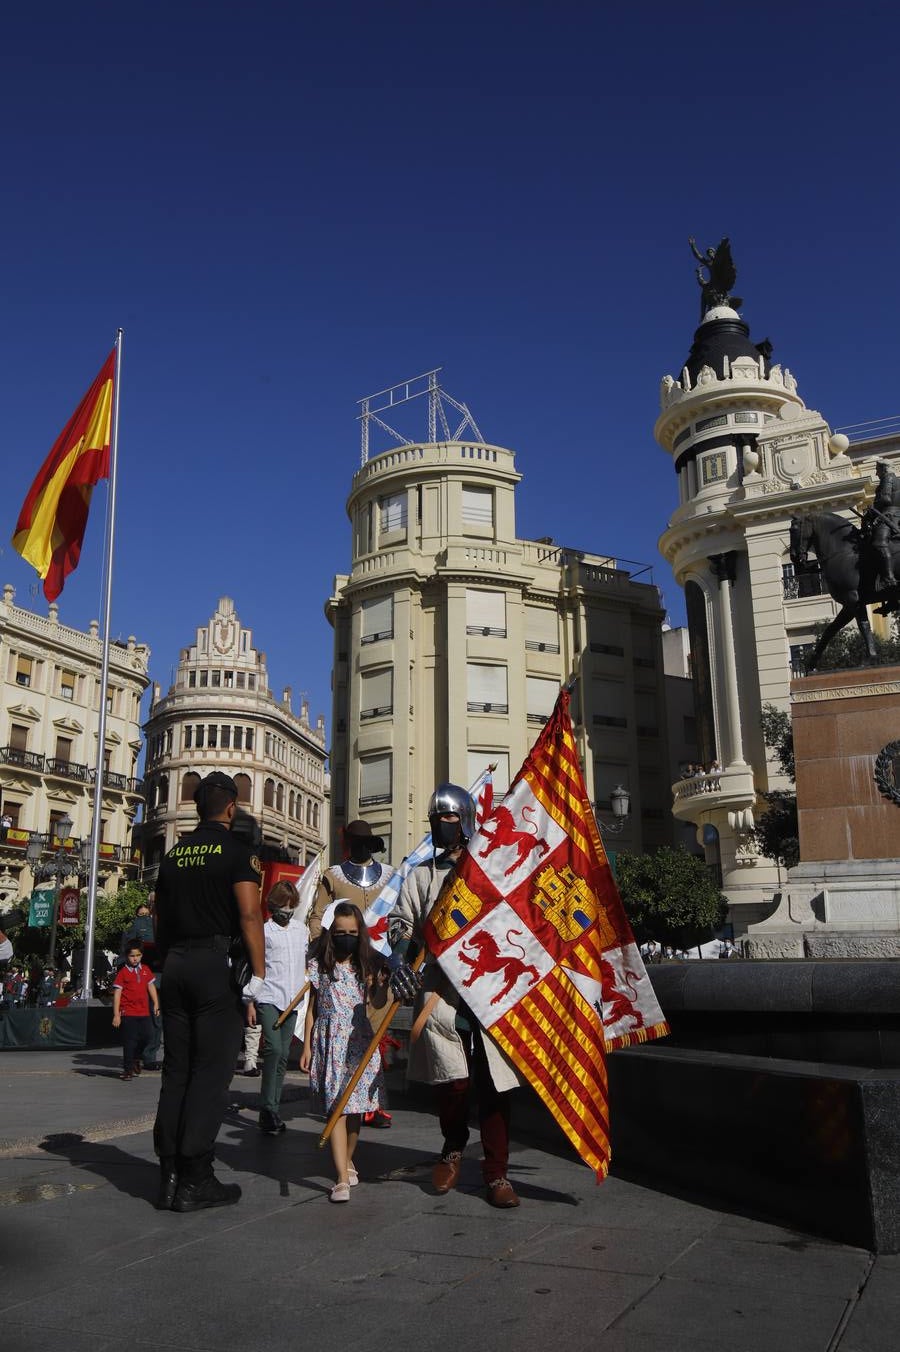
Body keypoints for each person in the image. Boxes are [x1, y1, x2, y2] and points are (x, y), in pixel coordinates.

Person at [389, 783, 522, 1210]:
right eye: (436, 820)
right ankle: (452, 1147)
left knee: (495, 1086)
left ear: (464, 821)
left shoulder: (490, 871)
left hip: (489, 992)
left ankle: (496, 1172)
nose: (441, 826)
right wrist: (397, 958)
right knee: (452, 1081)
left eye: (448, 819)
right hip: (441, 993)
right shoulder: (422, 875)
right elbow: (400, 921)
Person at [152, 771, 265, 1213]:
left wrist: (167, 961)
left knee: (176, 1071)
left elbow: (160, 918)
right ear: (231, 808)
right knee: (210, 1074)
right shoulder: (238, 852)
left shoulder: (175, 855)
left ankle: (168, 1175)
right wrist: (258, 973)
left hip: (176, 965)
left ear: (198, 807)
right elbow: (250, 915)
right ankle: (197, 1176)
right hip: (214, 968)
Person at [308, 819, 395, 1128]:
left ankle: (372, 1099)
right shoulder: (332, 876)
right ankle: (347, 1096)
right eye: (354, 841)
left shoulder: (390, 877)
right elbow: (317, 916)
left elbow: (397, 917)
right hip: (343, 965)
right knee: (346, 1039)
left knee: (375, 1033)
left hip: (376, 965)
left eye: (364, 842)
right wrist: (324, 949)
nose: (359, 847)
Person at [300, 903, 388, 1202]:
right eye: (340, 932)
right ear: (331, 933)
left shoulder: (366, 965)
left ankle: (348, 1159)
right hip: (328, 1040)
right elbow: (312, 1008)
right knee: (335, 1107)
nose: (346, 937)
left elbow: (376, 1004)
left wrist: (381, 987)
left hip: (356, 1041)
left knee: (353, 1111)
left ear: (360, 933)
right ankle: (340, 1177)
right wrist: (308, 1046)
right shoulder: (319, 966)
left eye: (352, 932)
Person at [245, 878, 308, 1135]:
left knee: (283, 1055)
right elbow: (255, 967)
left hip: (292, 999)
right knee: (273, 1049)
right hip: (269, 996)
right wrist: (249, 1001)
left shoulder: (300, 930)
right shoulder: (264, 931)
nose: (288, 910)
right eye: (284, 905)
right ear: (274, 905)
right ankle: (267, 1108)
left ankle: (273, 1107)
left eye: (292, 905)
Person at [112, 944, 160, 1079]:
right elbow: (117, 993)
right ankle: (128, 1070)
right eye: (132, 956)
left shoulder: (145, 969)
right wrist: (116, 1014)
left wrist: (156, 1003)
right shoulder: (123, 973)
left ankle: (136, 1058)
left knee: (148, 1037)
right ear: (127, 956)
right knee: (130, 1041)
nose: (135, 959)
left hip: (144, 1012)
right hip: (128, 1013)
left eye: (138, 955)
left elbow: (151, 987)